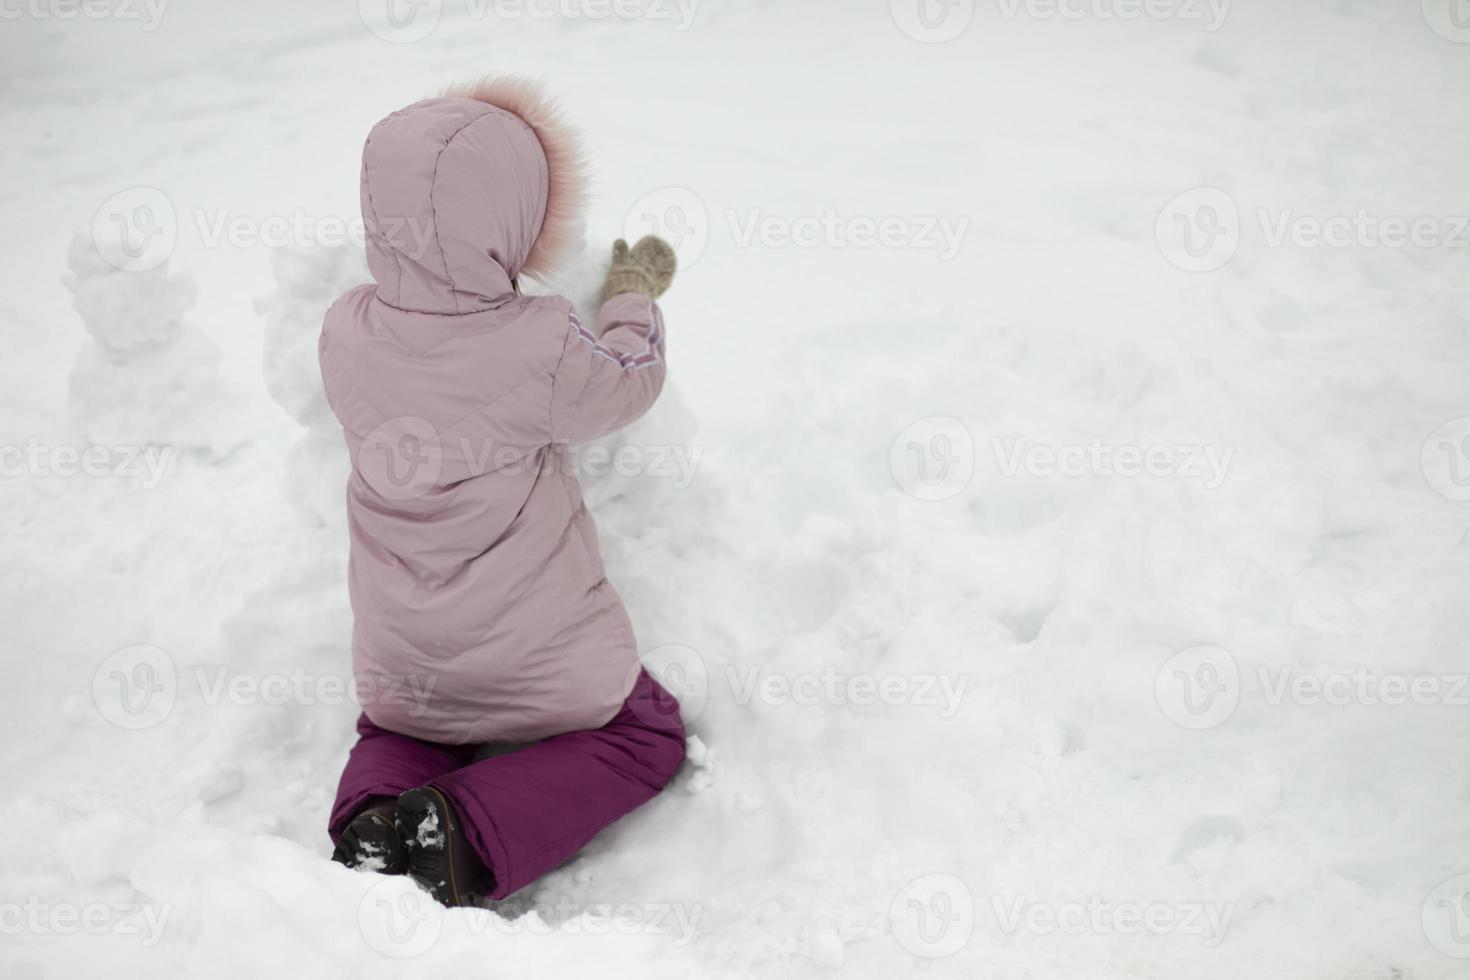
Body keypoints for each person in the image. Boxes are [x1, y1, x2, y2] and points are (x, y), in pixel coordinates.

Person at [317, 76, 684, 907]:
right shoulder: (541, 342)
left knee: (395, 729)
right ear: (514, 219)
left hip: (402, 655)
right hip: (544, 660)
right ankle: (465, 826)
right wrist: (630, 293)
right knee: (644, 735)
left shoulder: (343, 328)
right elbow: (630, 382)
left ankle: (374, 816)